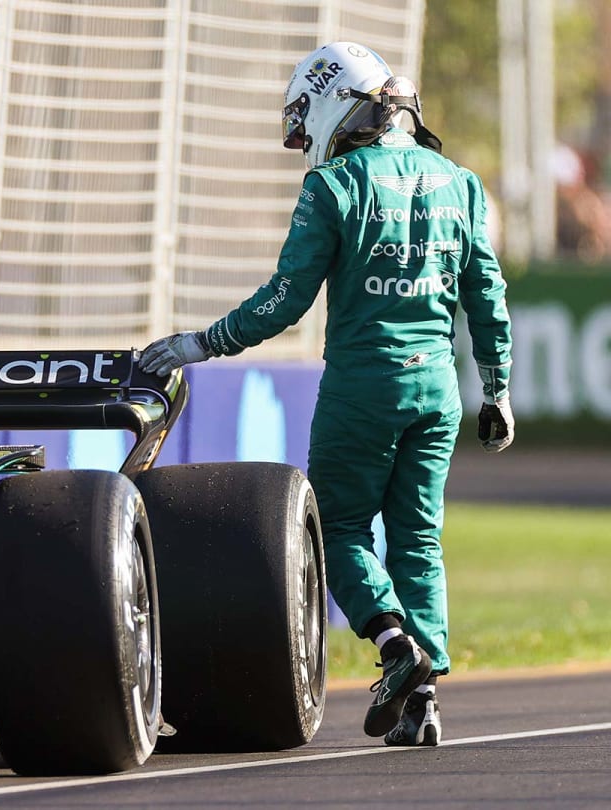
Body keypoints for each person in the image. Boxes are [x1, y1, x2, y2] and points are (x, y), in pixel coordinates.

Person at [138, 41, 514, 747]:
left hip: (364, 386)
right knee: (418, 540)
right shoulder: (460, 182)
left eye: (310, 120)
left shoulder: (335, 186)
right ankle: (423, 701)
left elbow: (282, 302)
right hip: (438, 389)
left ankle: (393, 640)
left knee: (338, 531)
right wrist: (497, 388)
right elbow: (486, 296)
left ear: (338, 101)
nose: (310, 139)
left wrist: (198, 344)